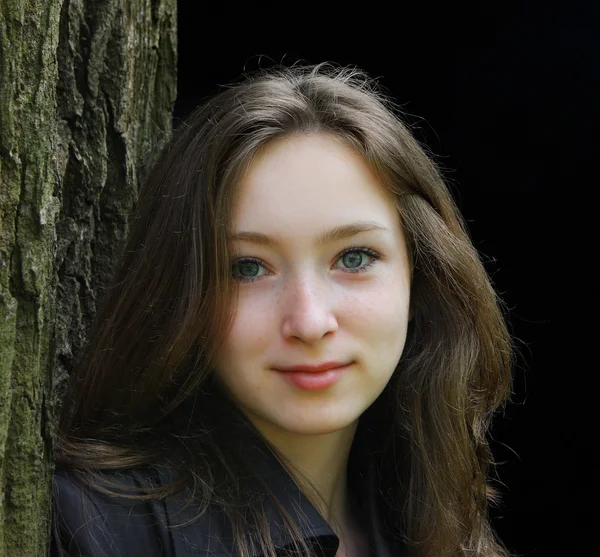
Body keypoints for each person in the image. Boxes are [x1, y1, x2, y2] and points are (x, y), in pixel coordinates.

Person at [51, 62, 513, 557]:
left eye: (354, 258)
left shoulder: (429, 519)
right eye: (248, 267)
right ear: (181, 292)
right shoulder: (95, 528)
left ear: (420, 279)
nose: (310, 322)